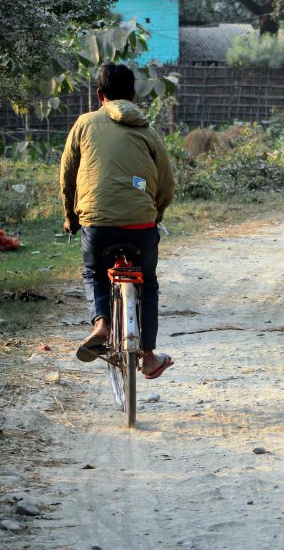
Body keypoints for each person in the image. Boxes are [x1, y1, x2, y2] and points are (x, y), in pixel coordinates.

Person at [60, 63, 176, 379]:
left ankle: (101, 324)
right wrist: (155, 215)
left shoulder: (84, 124)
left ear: (100, 95)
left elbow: (67, 176)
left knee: (95, 272)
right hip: (141, 226)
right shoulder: (148, 131)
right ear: (133, 95)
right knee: (147, 282)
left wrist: (71, 218)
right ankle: (148, 356)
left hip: (97, 225)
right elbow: (167, 184)